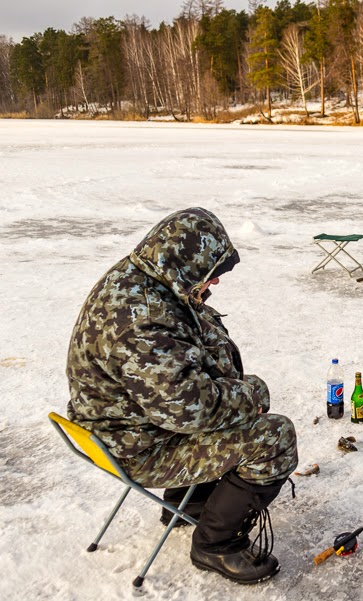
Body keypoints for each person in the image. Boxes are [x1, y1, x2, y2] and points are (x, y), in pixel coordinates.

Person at [66, 207, 298, 583]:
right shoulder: (141, 319)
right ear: (182, 261)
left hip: (129, 425)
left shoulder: (142, 277)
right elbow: (190, 411)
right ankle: (216, 545)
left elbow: (174, 379)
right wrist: (253, 394)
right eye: (210, 272)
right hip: (139, 446)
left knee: (229, 408)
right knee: (273, 437)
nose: (216, 282)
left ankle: (183, 498)